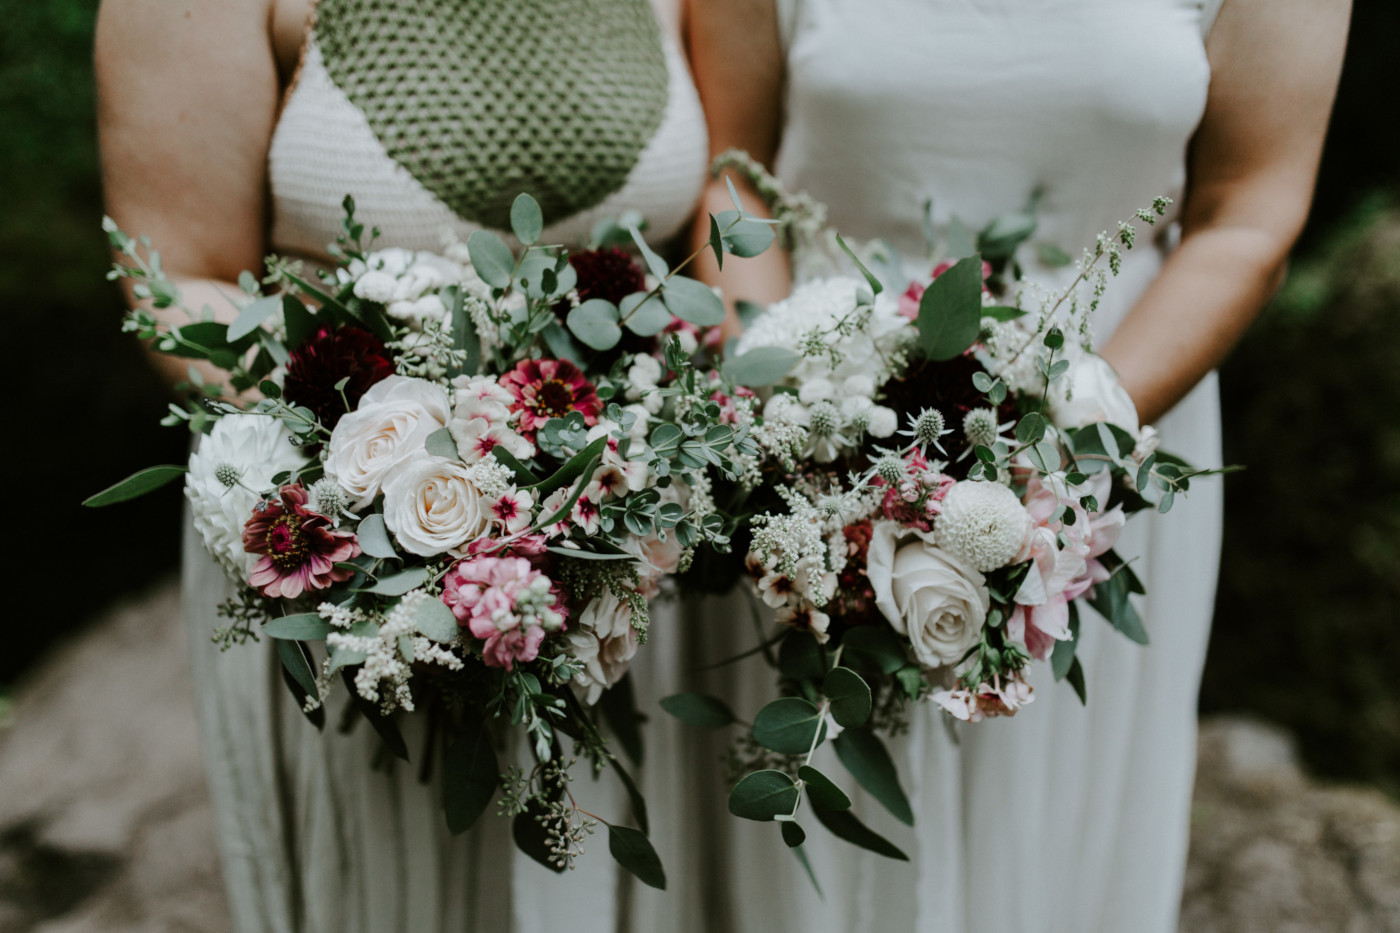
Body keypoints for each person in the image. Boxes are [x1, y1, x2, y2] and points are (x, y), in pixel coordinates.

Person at [684, 0, 1349, 930]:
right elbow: (731, 173)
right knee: (819, 826)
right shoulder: (802, 426)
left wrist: (1071, 438)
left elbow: (1250, 210)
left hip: (1112, 426)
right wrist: (785, 410)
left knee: (1051, 836)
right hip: (820, 429)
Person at [96, 1, 711, 930]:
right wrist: (396, 473)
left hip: (633, 552)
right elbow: (175, 273)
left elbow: (733, 193)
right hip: (348, 557)